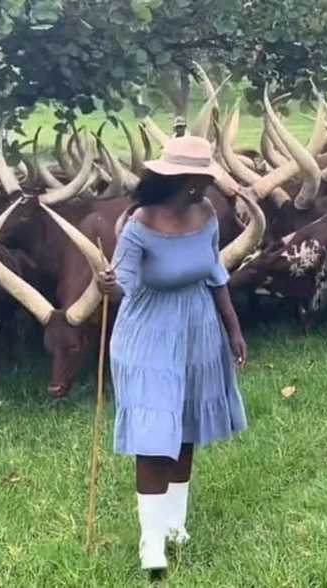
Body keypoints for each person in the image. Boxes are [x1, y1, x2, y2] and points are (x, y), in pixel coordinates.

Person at [95, 135, 249, 572]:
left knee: (185, 426)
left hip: (198, 329)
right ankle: (151, 543)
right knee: (154, 435)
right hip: (148, 335)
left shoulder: (207, 214)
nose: (211, 185)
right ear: (189, 180)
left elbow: (215, 272)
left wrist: (232, 328)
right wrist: (107, 286)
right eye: (206, 178)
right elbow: (122, 284)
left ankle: (176, 525)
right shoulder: (138, 224)